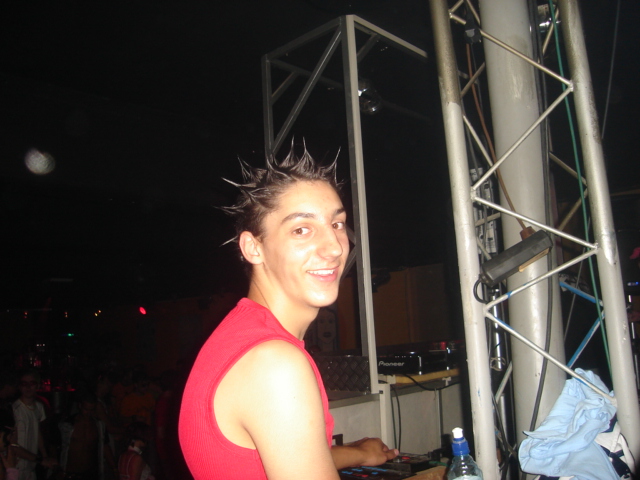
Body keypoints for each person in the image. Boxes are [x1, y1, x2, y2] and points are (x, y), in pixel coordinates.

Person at [179, 146, 398, 479]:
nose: (334, 247)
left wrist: (357, 453)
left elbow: (274, 456)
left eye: (337, 223)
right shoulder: (274, 363)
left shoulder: (243, 337)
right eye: (301, 229)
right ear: (254, 248)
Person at [12, 370, 56, 480]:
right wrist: (41, 460)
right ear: (19, 386)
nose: (28, 387)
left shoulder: (39, 407)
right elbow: (13, 445)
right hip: (16, 466)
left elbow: (37, 432)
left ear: (38, 386)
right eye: (24, 384)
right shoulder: (14, 409)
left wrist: (44, 456)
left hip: (31, 466)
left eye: (32, 383)